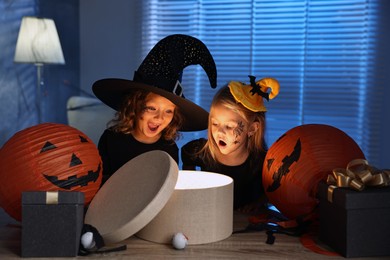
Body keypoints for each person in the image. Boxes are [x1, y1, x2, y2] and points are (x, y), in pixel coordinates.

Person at [93, 34, 217, 185]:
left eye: (168, 111)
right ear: (135, 106)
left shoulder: (169, 149)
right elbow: (98, 183)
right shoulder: (111, 139)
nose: (159, 118)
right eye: (151, 108)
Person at [181, 75, 280, 213]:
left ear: (251, 129)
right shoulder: (201, 151)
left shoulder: (263, 162)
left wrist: (258, 204)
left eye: (229, 126)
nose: (219, 132)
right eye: (215, 123)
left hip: (246, 228)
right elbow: (188, 153)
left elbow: (271, 193)